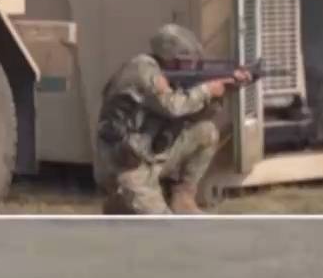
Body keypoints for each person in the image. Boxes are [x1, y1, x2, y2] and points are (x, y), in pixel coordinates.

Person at [94, 23, 251, 214]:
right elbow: (173, 107)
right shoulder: (143, 69)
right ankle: (120, 200)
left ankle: (183, 197)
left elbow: (194, 116)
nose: (191, 66)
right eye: (185, 61)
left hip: (151, 156)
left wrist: (223, 92)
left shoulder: (168, 76)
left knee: (206, 132)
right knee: (166, 226)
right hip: (126, 167)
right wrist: (206, 90)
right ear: (169, 58)